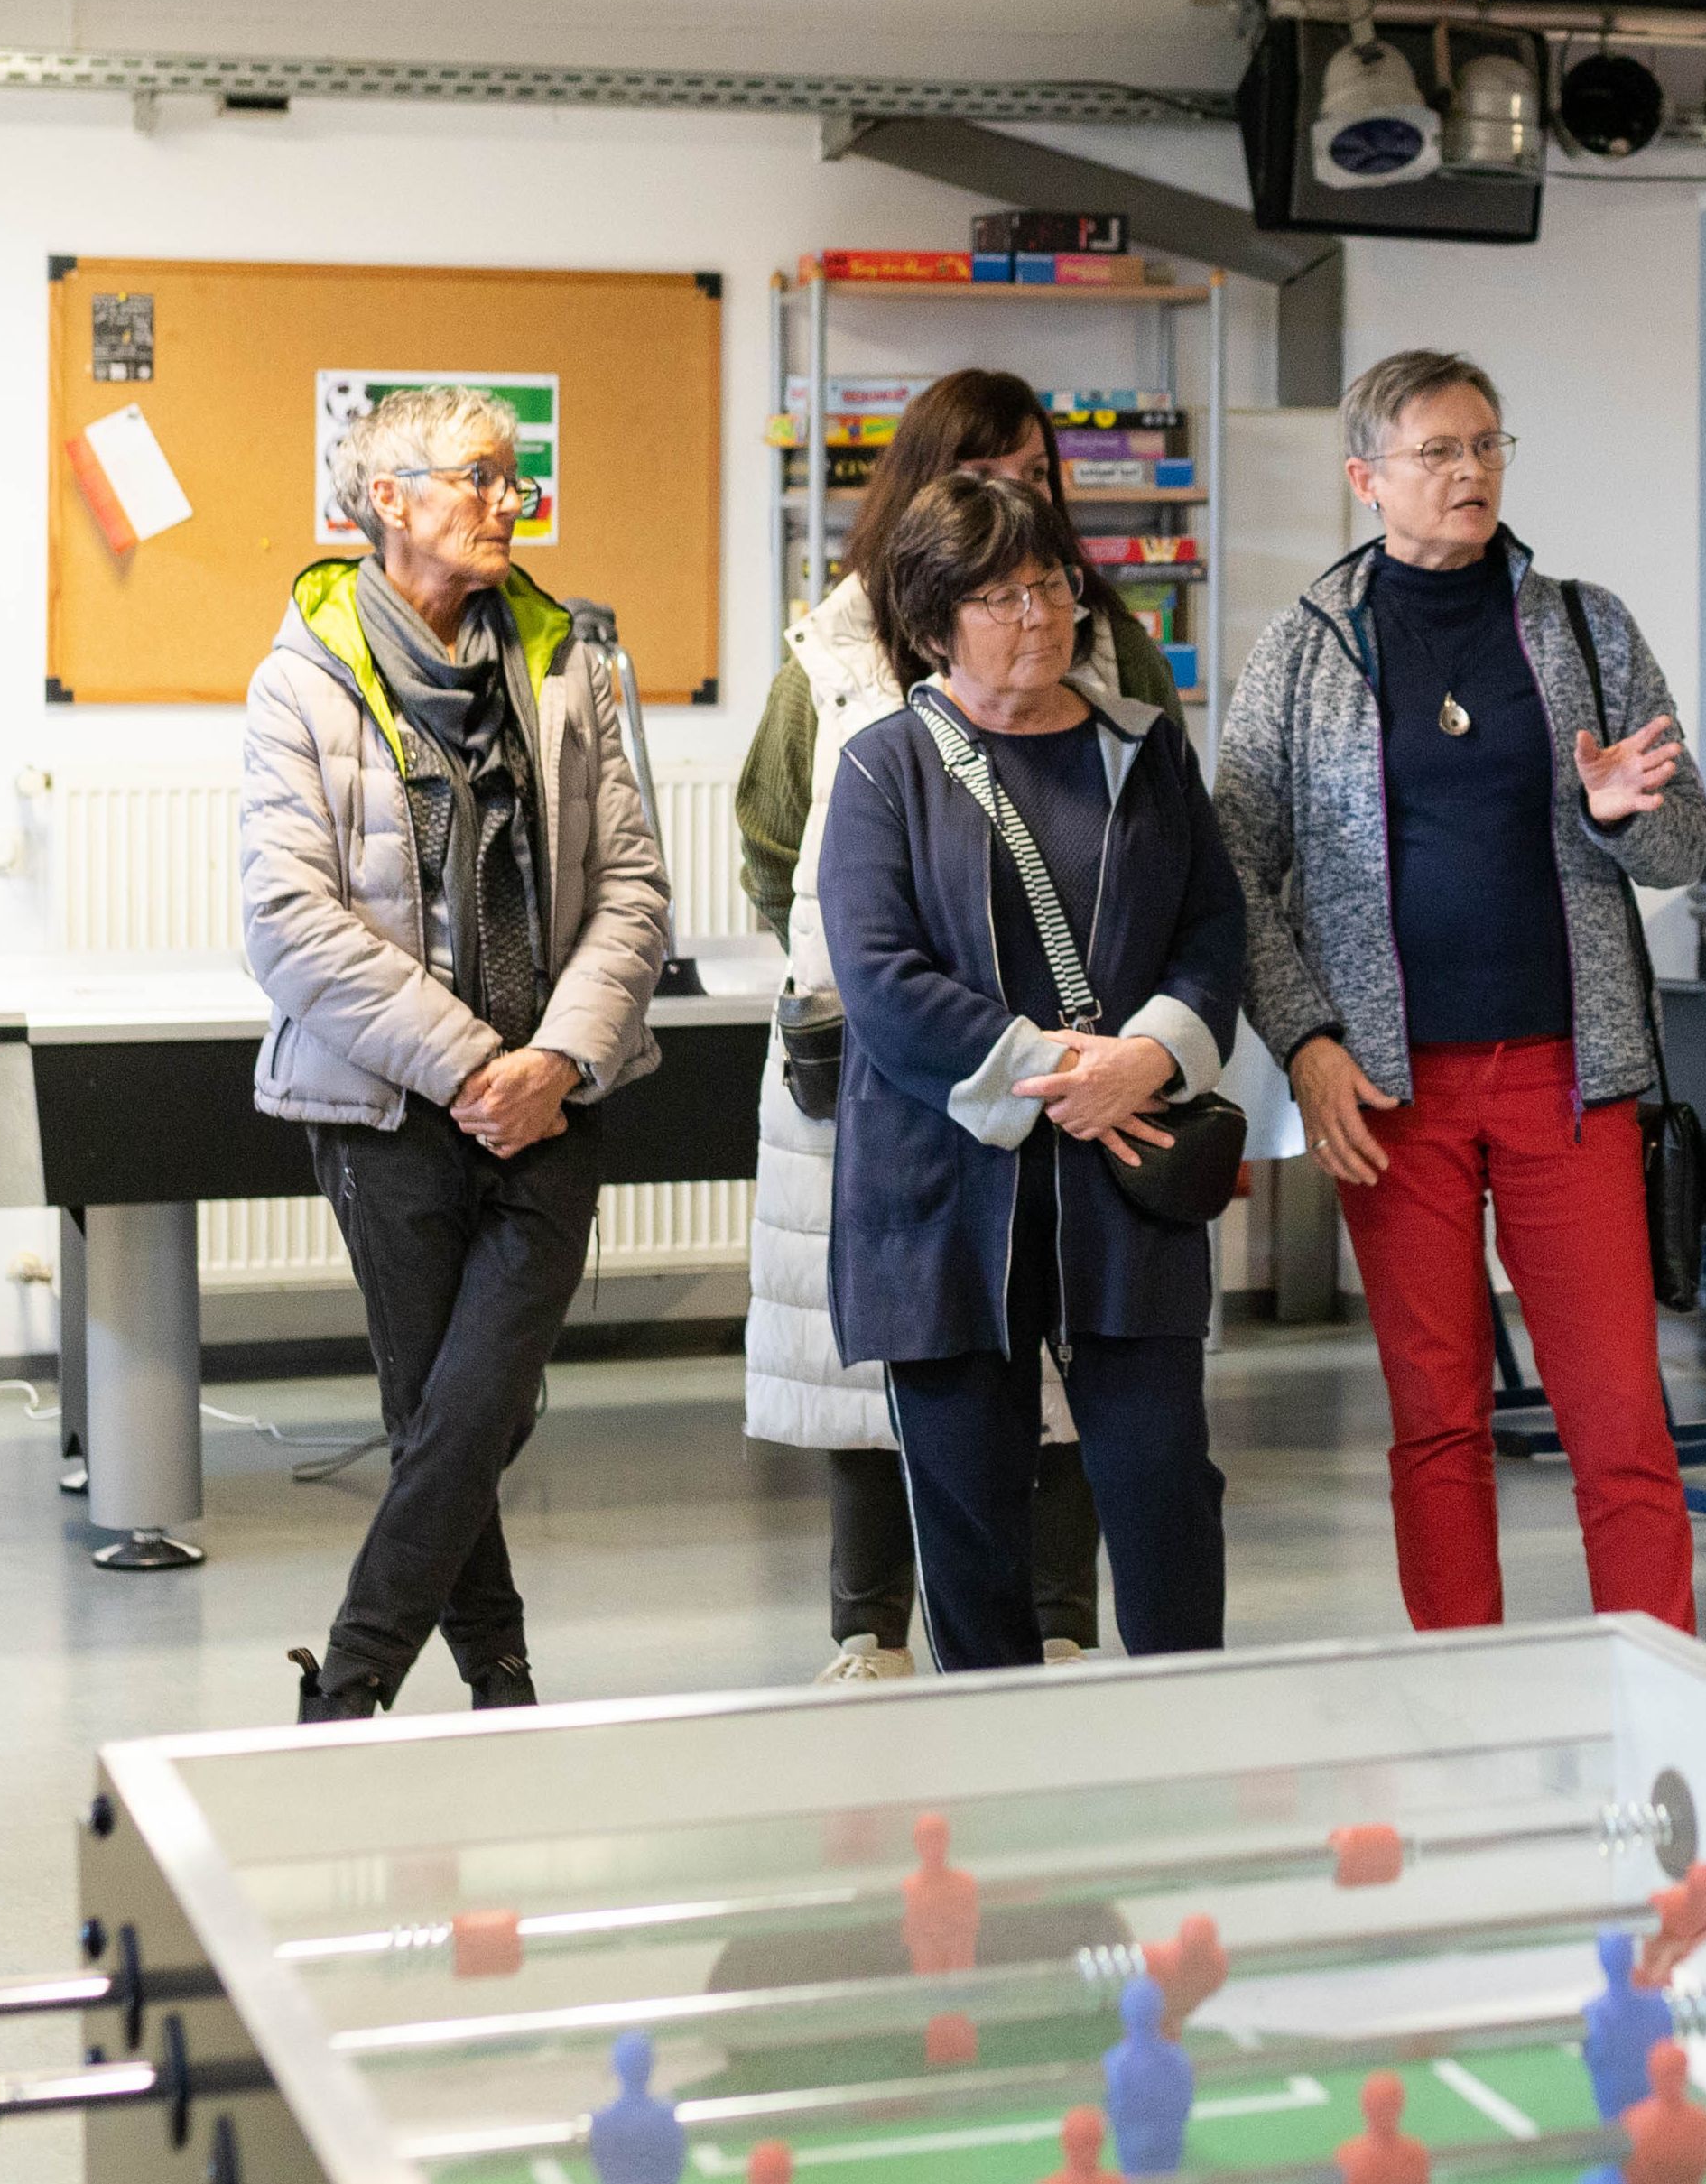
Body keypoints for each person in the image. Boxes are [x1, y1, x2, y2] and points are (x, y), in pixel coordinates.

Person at [1215, 349, 1706, 1633]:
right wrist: (1309, 1043)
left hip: (1568, 1076)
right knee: (1437, 1417)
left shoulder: (1585, 628)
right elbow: (1235, 871)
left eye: (1486, 445)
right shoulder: (1303, 650)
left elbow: (1684, 845)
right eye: (1436, 451)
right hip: (1389, 1088)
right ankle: (1461, 1686)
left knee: (1617, 1414)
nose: (1469, 472)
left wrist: (1614, 818)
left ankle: (1661, 1695)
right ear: (1364, 476)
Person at [735, 370, 1179, 1681]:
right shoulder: (832, 647)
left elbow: (1166, 853)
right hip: (880, 1058)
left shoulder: (1106, 640)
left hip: (1084, 1063)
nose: (1021, 498)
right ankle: (871, 1628)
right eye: (989, 468)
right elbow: (772, 842)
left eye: (1041, 471)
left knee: (1068, 1357)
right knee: (881, 1342)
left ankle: (1056, 1615)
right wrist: (872, 981)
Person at [243, 384, 672, 1722]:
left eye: (512, 477)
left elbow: (636, 892)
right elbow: (285, 920)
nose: (507, 502)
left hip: (552, 1103)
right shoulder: (297, 680)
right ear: (391, 501)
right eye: (479, 477)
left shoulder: (570, 665)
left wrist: (549, 1063)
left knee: (476, 1405)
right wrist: (468, 1066)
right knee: (454, 1415)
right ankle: (501, 1675)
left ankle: (353, 1683)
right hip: (388, 1110)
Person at [816, 471, 1248, 1671]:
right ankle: (998, 1756)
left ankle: (1179, 1719)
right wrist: (1070, 1069)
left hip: (1130, 1178)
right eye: (1000, 595)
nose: (1039, 616)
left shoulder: (1144, 752)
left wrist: (1153, 1052)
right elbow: (883, 980)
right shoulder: (881, 766)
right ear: (934, 615)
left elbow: (1214, 934)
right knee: (966, 1513)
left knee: (1162, 1480)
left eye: (1051, 583)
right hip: (944, 1193)